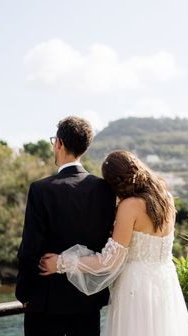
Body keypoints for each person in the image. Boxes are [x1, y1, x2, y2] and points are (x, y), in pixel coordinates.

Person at [39, 150, 188, 336]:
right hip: (165, 283)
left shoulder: (130, 206)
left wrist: (61, 263)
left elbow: (108, 262)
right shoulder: (166, 198)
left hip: (135, 288)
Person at [16, 116, 116, 336]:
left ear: (59, 143)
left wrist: (24, 294)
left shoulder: (41, 189)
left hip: (46, 303)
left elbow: (30, 249)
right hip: (88, 302)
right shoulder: (105, 190)